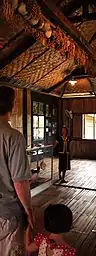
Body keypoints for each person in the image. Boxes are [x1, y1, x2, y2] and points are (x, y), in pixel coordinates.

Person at [0, 86, 34, 255]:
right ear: (12, 106)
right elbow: (19, 181)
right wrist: (29, 209)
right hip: (6, 212)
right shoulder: (13, 136)